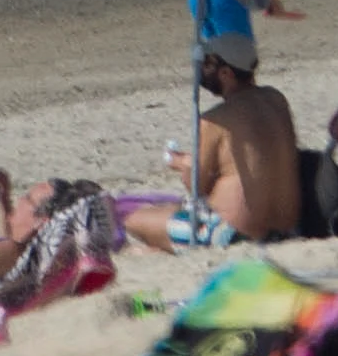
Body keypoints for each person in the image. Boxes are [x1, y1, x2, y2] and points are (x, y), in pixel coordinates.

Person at [124, 39, 304, 249]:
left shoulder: (215, 120)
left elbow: (197, 186)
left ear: (226, 73)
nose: (202, 71)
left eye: (207, 66)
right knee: (160, 227)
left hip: (232, 233)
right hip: (287, 226)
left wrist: (181, 163)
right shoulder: (276, 99)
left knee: (132, 218)